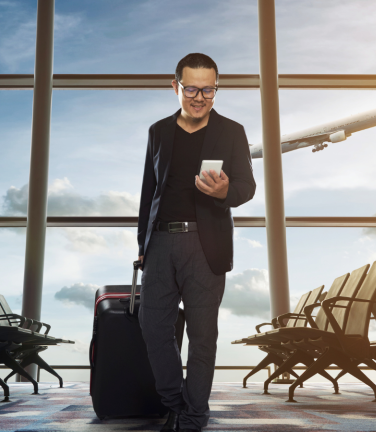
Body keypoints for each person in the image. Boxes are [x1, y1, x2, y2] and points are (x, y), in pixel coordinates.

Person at [137, 53, 256, 432]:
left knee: (202, 334)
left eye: (208, 90)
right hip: (160, 243)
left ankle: (193, 415)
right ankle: (176, 403)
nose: (199, 97)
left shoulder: (232, 131)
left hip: (206, 244)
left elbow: (246, 186)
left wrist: (224, 192)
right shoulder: (158, 131)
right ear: (175, 87)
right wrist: (142, 244)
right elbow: (148, 192)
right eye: (191, 88)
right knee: (153, 325)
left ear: (216, 89)